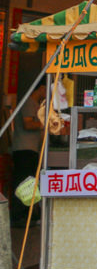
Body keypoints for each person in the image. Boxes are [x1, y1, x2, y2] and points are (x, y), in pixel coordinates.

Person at [11, 84, 44, 227]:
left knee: (29, 184)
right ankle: (18, 217)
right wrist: (45, 124)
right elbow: (28, 124)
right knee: (23, 184)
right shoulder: (28, 103)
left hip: (29, 150)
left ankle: (26, 216)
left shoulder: (34, 104)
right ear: (41, 87)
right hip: (24, 150)